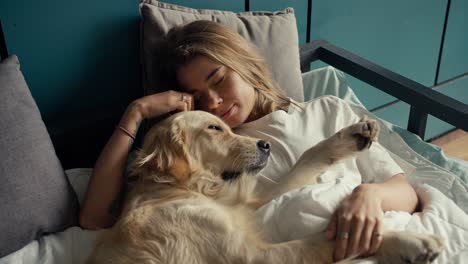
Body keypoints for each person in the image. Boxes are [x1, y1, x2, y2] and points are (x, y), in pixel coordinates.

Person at [79, 20, 419, 262]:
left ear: (242, 63)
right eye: (198, 97)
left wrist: (369, 195)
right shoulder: (206, 161)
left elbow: (406, 193)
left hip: (372, 230)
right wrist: (135, 113)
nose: (212, 102)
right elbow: (95, 217)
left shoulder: (327, 110)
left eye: (218, 79)